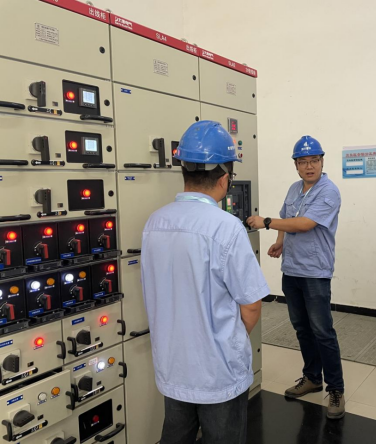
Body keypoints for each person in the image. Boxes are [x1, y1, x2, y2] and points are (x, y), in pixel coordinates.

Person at [141, 121, 269, 444]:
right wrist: (225, 342)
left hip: (173, 366)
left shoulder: (155, 223)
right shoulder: (227, 227)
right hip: (218, 374)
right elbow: (252, 305)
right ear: (225, 179)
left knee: (176, 436)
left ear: (183, 170)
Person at [246, 135, 345, 419]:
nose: (309, 166)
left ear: (322, 162)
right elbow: (287, 218)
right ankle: (312, 377)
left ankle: (336, 389)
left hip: (315, 272)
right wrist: (280, 241)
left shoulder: (329, 191)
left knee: (322, 331)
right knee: (302, 328)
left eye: (314, 160)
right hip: (291, 270)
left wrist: (265, 222)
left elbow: (304, 224)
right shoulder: (294, 189)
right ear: (296, 165)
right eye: (303, 162)